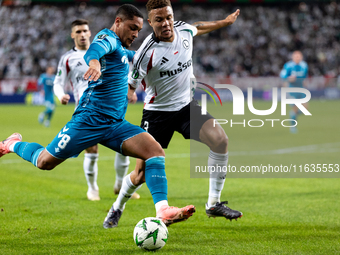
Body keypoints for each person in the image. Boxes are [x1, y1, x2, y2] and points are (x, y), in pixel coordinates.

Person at [0, 4, 194, 228]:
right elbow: (95, 51)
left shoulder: (122, 50)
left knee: (154, 151)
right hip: (89, 121)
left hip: (115, 124)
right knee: (45, 162)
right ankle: (12, 144)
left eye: (139, 30)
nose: (135, 34)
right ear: (118, 22)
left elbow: (141, 57)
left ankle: (163, 210)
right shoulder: (108, 37)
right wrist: (93, 63)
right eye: (132, 28)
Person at [104, 0, 242, 228]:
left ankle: (213, 203)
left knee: (220, 140)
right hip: (156, 115)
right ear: (150, 22)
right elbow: (130, 84)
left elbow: (198, 26)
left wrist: (224, 22)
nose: (166, 23)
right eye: (159, 20)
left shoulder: (183, 30)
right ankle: (117, 207)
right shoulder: (145, 54)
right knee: (140, 174)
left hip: (186, 108)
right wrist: (129, 94)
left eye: (168, 17)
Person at [53, 19, 139, 201]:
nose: (82, 34)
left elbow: (130, 62)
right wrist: (61, 95)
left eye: (85, 31)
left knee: (126, 147)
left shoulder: (108, 48)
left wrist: (130, 89)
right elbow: (58, 83)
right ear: (72, 35)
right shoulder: (68, 59)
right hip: (86, 111)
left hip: (111, 108)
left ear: (90, 33)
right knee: (91, 150)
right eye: (78, 32)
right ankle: (92, 189)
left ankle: (119, 184)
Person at [280, 51, 309, 133]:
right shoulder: (288, 66)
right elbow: (283, 77)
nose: (297, 58)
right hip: (292, 89)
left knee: (305, 109)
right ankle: (293, 127)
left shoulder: (304, 66)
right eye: (296, 56)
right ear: (293, 57)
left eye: (299, 56)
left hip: (301, 89)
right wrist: (289, 79)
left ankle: (292, 114)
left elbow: (305, 77)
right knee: (295, 107)